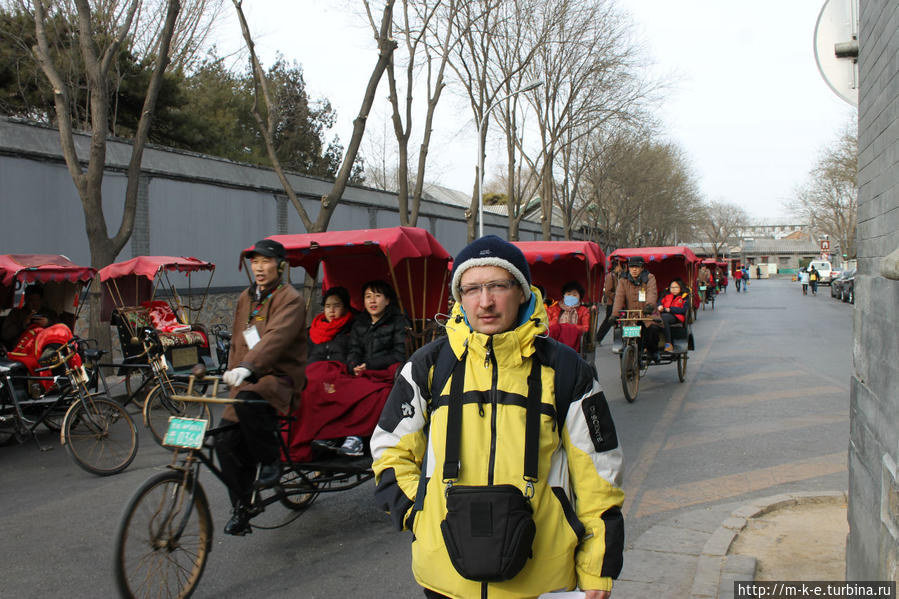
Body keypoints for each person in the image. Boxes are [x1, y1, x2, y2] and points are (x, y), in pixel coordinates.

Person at [371, 236, 624, 599]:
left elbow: (600, 476)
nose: (485, 301)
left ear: (521, 291)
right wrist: (421, 511)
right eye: (472, 289)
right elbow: (389, 450)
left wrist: (597, 569)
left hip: (542, 575)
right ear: (459, 298)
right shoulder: (429, 366)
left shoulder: (567, 370)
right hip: (444, 575)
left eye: (497, 286)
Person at [216, 239, 307, 536]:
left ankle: (272, 462)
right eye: (254, 262)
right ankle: (243, 506)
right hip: (246, 379)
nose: (259, 267)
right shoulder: (246, 297)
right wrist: (231, 369)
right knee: (224, 441)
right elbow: (238, 338)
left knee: (247, 402)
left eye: (265, 261)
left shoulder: (290, 298)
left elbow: (275, 339)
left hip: (278, 378)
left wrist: (247, 367)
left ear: (280, 266)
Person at [338, 280, 408, 457]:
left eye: (377, 296)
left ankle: (357, 438)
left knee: (375, 393)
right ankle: (333, 434)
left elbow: (399, 354)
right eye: (368, 297)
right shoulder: (360, 323)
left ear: (387, 300)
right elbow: (353, 349)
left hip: (383, 372)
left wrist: (370, 365)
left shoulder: (397, 321)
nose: (372, 301)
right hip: (362, 371)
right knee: (338, 387)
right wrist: (353, 365)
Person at [612, 255, 659, 361]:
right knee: (623, 335)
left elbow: (652, 293)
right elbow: (619, 298)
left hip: (648, 314)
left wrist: (649, 306)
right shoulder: (623, 280)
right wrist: (614, 314)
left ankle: (653, 351)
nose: (634, 269)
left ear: (642, 268)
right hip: (632, 315)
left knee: (652, 330)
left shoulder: (650, 278)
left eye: (637, 267)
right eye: (631, 267)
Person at [1, 284, 55, 349]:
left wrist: (48, 323)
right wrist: (23, 324)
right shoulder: (16, 313)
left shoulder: (50, 313)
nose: (34, 304)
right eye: (31, 300)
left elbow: (60, 329)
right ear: (26, 300)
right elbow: (6, 335)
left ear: (41, 300)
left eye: (37, 300)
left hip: (42, 348)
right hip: (20, 348)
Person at [546, 280, 592, 351]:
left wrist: (569, 328)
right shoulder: (553, 309)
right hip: (554, 342)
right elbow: (546, 325)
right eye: (568, 294)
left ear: (579, 297)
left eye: (574, 295)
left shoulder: (583, 310)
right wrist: (560, 328)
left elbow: (585, 328)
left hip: (574, 343)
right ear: (564, 295)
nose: (571, 297)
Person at [648, 279, 688, 354]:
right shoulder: (666, 295)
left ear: (680, 288)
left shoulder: (684, 296)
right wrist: (659, 306)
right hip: (663, 314)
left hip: (676, 316)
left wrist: (671, 309)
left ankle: (668, 343)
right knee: (651, 320)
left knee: (664, 318)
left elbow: (683, 310)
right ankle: (650, 344)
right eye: (672, 287)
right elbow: (660, 302)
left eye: (676, 287)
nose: (673, 289)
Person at [596, 260, 623, 345]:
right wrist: (617, 298)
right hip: (612, 303)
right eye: (620, 267)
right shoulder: (610, 276)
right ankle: (598, 338)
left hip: (617, 303)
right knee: (608, 322)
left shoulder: (617, 276)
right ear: (616, 267)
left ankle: (618, 339)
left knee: (615, 322)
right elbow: (608, 291)